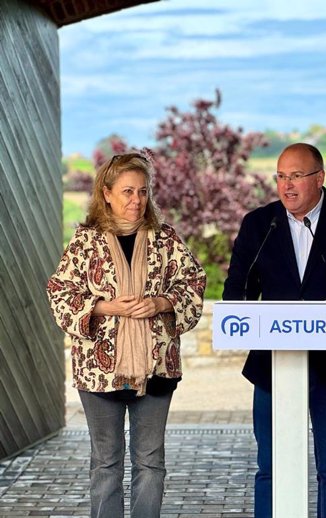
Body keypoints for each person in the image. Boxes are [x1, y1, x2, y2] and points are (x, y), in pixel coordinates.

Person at [222, 143, 326, 518]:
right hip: (273, 368)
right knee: (271, 467)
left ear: (320, 178)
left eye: (296, 176)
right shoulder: (259, 224)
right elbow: (237, 289)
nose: (287, 186)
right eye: (281, 176)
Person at [46, 152, 206, 518]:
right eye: (128, 191)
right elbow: (60, 291)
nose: (137, 201)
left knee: (151, 463)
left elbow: (194, 283)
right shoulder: (85, 242)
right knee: (105, 463)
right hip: (98, 372)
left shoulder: (166, 239)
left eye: (144, 192)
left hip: (157, 367)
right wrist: (105, 307)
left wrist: (161, 302)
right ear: (106, 193)